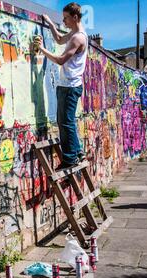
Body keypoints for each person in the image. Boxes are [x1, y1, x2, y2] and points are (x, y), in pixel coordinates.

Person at [35, 2, 88, 170]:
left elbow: (60, 59)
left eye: (66, 18)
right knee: (66, 121)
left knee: (65, 122)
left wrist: (41, 49)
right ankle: (77, 152)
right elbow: (58, 39)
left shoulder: (78, 38)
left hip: (70, 87)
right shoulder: (74, 34)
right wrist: (50, 23)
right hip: (67, 85)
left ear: (75, 17)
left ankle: (70, 158)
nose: (63, 21)